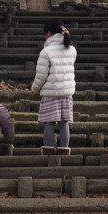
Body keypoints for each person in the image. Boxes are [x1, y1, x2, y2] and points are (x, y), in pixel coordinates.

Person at [30, 18, 77, 155]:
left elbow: (41, 75)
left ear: (48, 33)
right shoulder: (71, 50)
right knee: (64, 123)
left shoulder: (46, 52)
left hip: (51, 93)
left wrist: (34, 90)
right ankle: (64, 150)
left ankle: (48, 150)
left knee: (49, 122)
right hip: (66, 93)